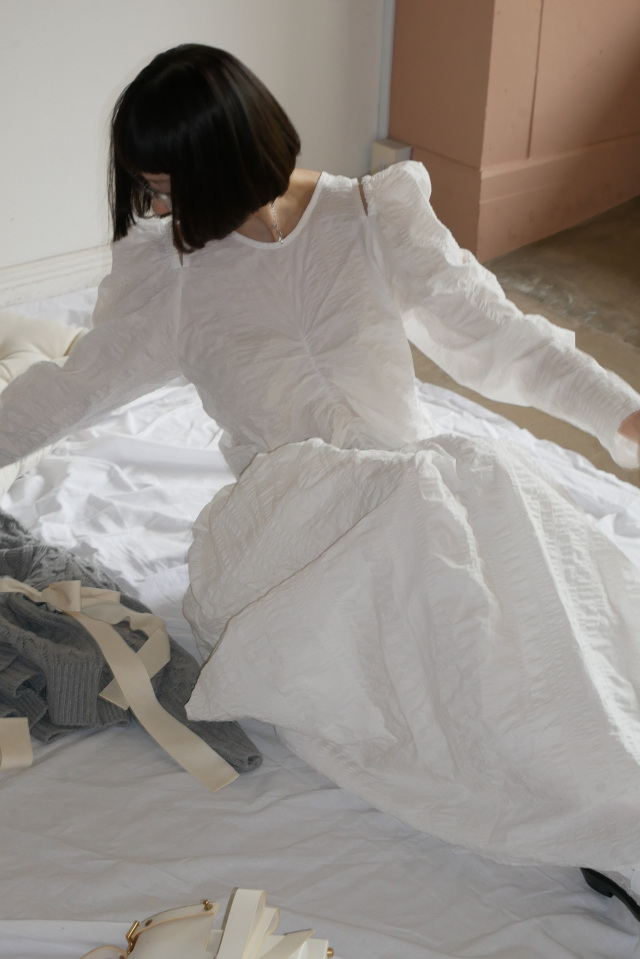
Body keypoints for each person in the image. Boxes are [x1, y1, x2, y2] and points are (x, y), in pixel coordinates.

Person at [2, 43, 640, 916]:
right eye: (148, 187)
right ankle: (613, 814)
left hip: (417, 494)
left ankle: (607, 785)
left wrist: (623, 413)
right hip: (290, 532)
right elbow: (68, 389)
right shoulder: (171, 275)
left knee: (513, 541)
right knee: (447, 575)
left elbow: (495, 333)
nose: (157, 206)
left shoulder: (373, 215)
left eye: (167, 183)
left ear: (225, 156)